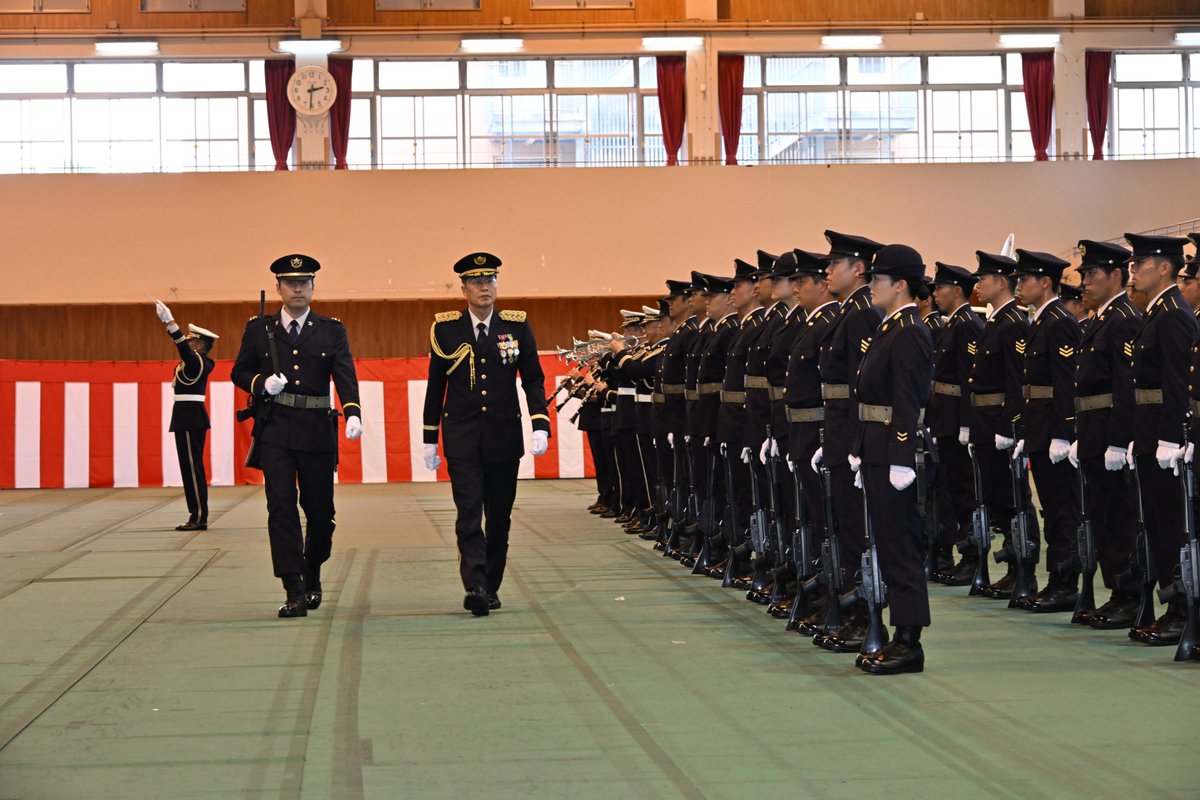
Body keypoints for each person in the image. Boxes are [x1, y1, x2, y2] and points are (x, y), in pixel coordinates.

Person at [231, 254, 362, 618]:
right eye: (290, 283)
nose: (298, 289)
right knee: (281, 507)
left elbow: (345, 373)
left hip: (317, 429)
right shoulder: (259, 329)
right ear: (278, 288)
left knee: (320, 512)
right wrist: (261, 383)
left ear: (313, 287)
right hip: (276, 429)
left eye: (304, 282)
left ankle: (313, 569)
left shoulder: (331, 329)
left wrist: (353, 411)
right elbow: (239, 371)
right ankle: (293, 588)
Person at [422, 252, 551, 617]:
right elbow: (435, 386)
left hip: (503, 435)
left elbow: (533, 379)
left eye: (490, 280)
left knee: (499, 517)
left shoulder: (516, 326)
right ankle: (475, 585)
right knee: (468, 513)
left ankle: (491, 584)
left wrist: (540, 424)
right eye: (476, 281)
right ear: (463, 288)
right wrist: (430, 437)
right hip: (462, 435)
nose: (484, 287)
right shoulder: (446, 329)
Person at [853, 243, 934, 674]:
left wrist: (902, 455)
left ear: (900, 284)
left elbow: (906, 400)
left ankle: (909, 641)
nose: (871, 286)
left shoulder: (909, 331)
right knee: (888, 542)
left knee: (902, 547)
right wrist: (859, 449)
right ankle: (899, 634)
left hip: (892, 453)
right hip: (877, 448)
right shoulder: (890, 327)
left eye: (877, 279)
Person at [810, 230, 884, 651]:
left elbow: (862, 386)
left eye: (834, 264)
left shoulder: (861, 315)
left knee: (857, 530)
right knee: (843, 525)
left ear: (858, 269)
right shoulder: (847, 312)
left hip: (850, 436)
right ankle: (852, 611)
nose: (827, 271)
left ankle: (864, 617)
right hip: (838, 434)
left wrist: (856, 443)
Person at [1125, 233, 1197, 646]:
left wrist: (1171, 437)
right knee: (1156, 522)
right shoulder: (1157, 313)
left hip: (1163, 439)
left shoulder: (1172, 315)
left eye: (1141, 264)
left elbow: (1176, 383)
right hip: (1149, 433)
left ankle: (1181, 609)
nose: (1134, 271)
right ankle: (1173, 605)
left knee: (1171, 525)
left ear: (1165, 267)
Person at [1071, 239, 1143, 629]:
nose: (1084, 281)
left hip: (1109, 436)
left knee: (1119, 518)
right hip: (1093, 433)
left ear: (1116, 274)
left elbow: (1125, 385)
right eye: (1083, 274)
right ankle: (1117, 591)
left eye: (1091, 273)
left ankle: (1128, 595)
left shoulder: (1124, 318)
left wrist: (1118, 440)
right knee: (1101, 516)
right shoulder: (1102, 318)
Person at [964, 250, 1039, 602]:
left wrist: (1011, 426)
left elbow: (1016, 381)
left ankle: (1022, 569)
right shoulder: (995, 322)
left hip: (999, 424)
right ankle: (1012, 566)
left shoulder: (1014, 324)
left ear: (1000, 282)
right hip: (984, 422)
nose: (978, 285)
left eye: (983, 278)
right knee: (997, 497)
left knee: (1013, 499)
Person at [1011, 249, 1082, 613]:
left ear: (1045, 282)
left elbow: (1065, 382)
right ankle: (1058, 579)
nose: (1018, 285)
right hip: (1039, 427)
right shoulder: (1041, 321)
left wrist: (1064, 432)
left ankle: (1064, 582)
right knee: (1051, 509)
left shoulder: (1058, 321)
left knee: (1061, 510)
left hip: (1053, 429)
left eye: (1024, 279)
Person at [927, 263, 984, 585]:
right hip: (944, 420)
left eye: (941, 287)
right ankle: (967, 554)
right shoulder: (954, 324)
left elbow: (968, 379)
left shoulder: (967, 326)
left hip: (956, 423)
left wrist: (966, 424)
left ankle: (972, 556)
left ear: (957, 290)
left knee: (964, 492)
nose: (935, 293)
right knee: (953, 490)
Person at [154, 300, 218, 532]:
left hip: (190, 417)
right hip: (187, 417)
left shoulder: (197, 361)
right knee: (189, 468)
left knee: (192, 469)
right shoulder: (197, 362)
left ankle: (199, 516)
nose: (188, 343)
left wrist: (170, 323)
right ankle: (197, 514)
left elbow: (182, 348)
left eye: (191, 341)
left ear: (199, 344)